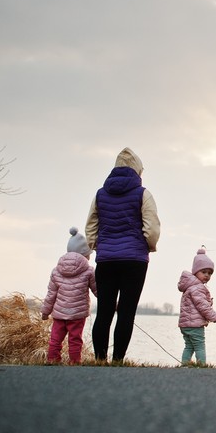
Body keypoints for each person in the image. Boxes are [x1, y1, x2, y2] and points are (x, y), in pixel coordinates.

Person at [85, 147, 161, 362]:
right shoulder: (143, 193)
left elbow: (91, 225)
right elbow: (152, 227)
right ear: (137, 170)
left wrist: (97, 246)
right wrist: (148, 245)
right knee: (126, 312)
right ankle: (118, 359)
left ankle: (100, 359)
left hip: (107, 259)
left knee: (104, 312)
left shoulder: (100, 194)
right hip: (134, 260)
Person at [40, 227, 98, 364]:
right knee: (75, 339)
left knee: (55, 339)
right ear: (84, 254)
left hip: (59, 314)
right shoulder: (89, 271)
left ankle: (52, 361)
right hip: (77, 314)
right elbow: (98, 291)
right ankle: (75, 362)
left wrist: (45, 311)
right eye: (88, 254)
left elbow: (51, 295)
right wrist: (112, 303)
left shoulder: (56, 271)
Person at [177, 246, 216, 365]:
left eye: (210, 273)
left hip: (185, 324)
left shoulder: (189, 287)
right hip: (194, 325)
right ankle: (202, 366)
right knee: (200, 346)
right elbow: (203, 306)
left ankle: (184, 365)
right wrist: (214, 317)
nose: (207, 275)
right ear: (195, 272)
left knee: (189, 346)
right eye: (204, 272)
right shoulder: (198, 288)